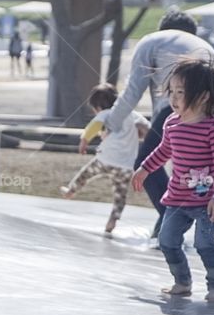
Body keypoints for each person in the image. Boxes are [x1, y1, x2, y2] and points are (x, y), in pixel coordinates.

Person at [105, 8, 214, 239]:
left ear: (161, 29)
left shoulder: (151, 41)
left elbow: (133, 92)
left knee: (148, 161)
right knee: (195, 166)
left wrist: (111, 124)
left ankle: (172, 222)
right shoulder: (199, 42)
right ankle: (194, 218)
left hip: (191, 97)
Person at [132, 58, 214, 302]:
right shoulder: (172, 124)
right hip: (177, 198)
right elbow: (164, 151)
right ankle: (182, 281)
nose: (173, 99)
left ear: (204, 97)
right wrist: (145, 169)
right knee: (166, 241)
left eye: (181, 92)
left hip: (207, 200)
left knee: (204, 243)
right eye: (172, 92)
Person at [60, 84, 149, 236]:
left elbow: (94, 126)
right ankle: (113, 220)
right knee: (120, 194)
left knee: (85, 174)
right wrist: (140, 134)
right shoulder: (132, 114)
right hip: (126, 166)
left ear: (99, 107)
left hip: (105, 159)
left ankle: (71, 191)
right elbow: (147, 128)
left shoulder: (107, 113)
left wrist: (84, 141)